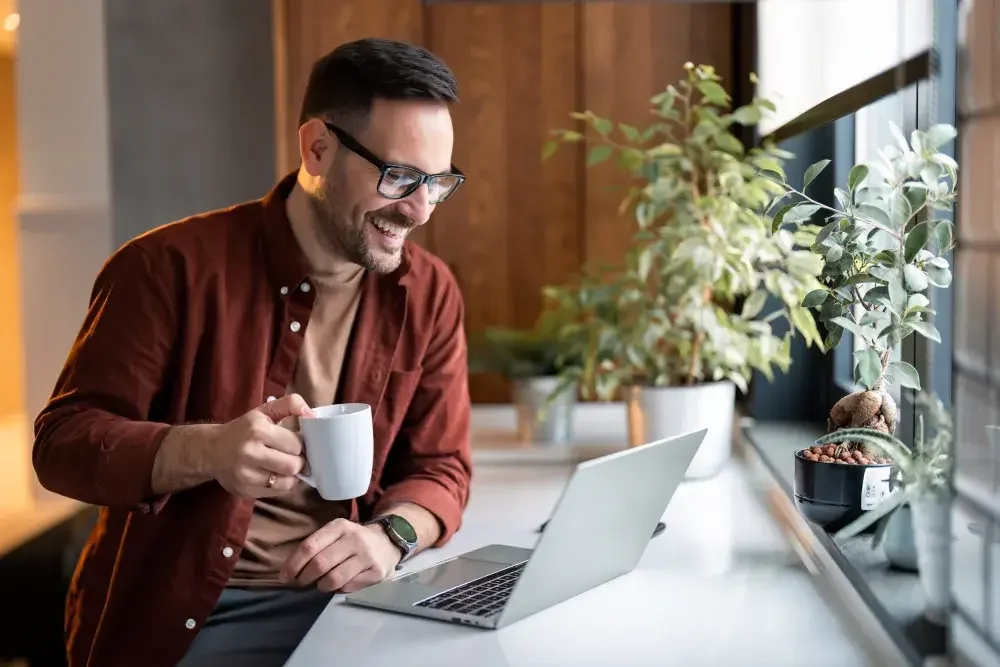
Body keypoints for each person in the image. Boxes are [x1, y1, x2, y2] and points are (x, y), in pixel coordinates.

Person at [32, 38, 473, 667]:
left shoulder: (430, 293)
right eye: (399, 177)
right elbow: (62, 444)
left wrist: (391, 537)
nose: (420, 209)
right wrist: (205, 451)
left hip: (354, 604)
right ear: (317, 148)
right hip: (198, 615)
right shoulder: (164, 269)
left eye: (438, 182)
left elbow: (442, 466)